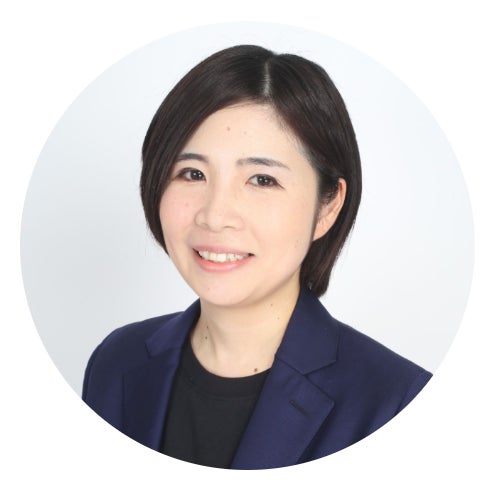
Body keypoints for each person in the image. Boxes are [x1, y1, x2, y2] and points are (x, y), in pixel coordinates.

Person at [82, 45, 432, 469]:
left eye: (262, 180)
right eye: (192, 173)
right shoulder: (117, 362)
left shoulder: (399, 404)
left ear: (328, 207)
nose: (215, 215)